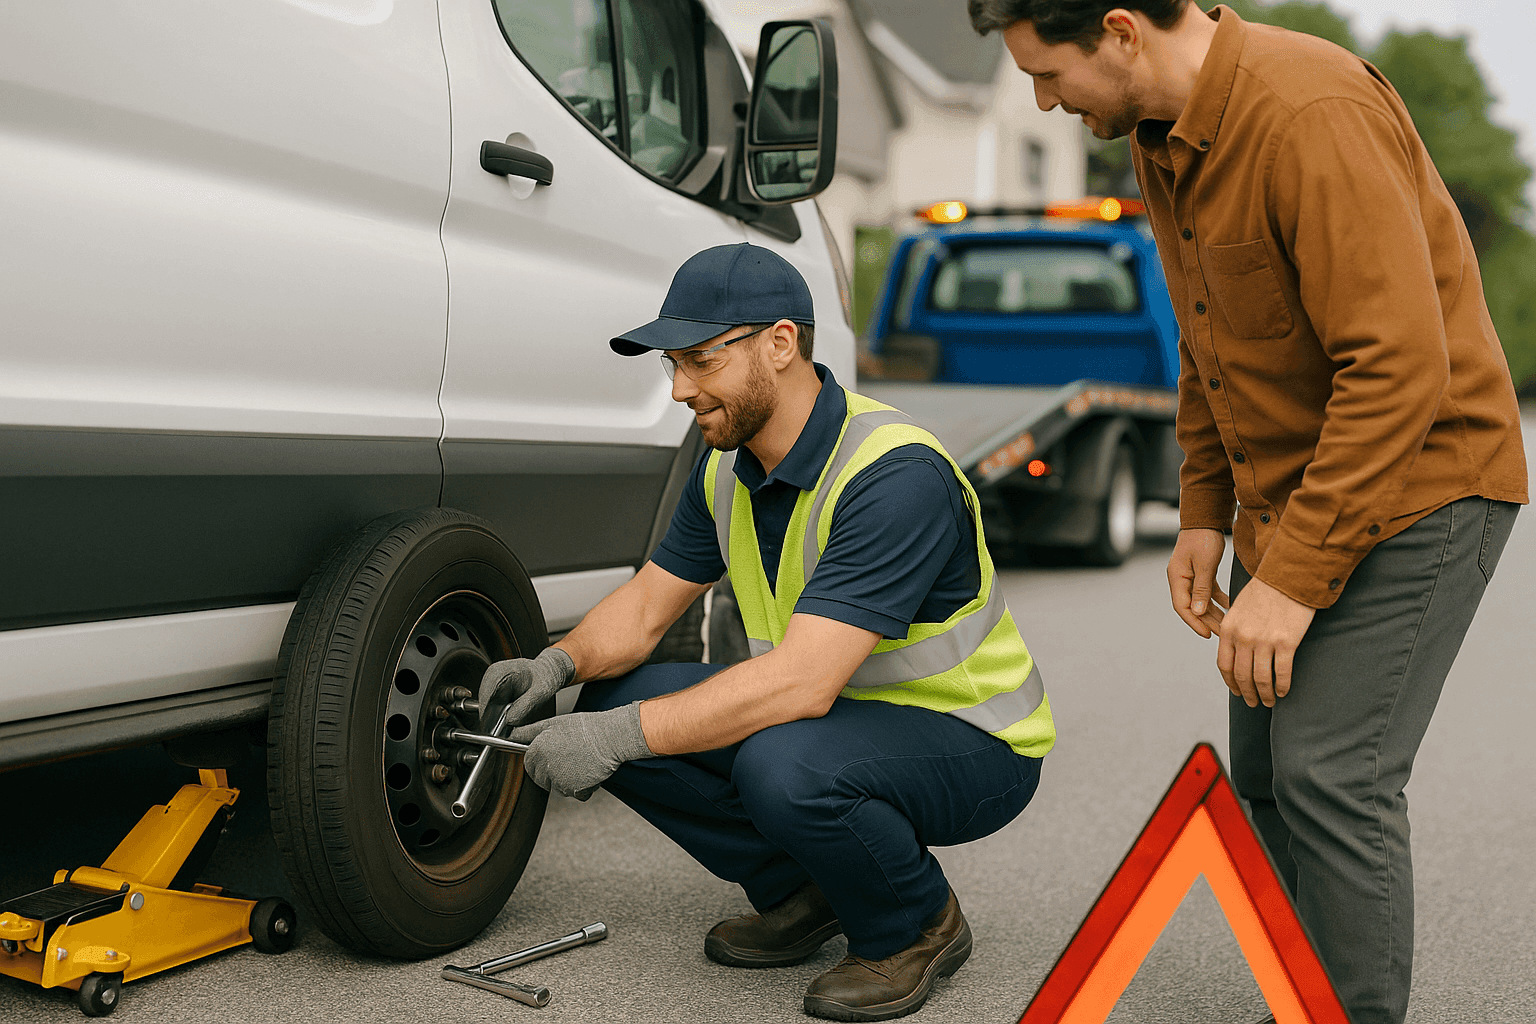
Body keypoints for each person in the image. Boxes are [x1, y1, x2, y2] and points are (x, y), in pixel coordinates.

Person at [966, 2, 1527, 1022]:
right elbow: (1207, 334)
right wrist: (1202, 513)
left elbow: (1400, 368)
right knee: (1265, 774)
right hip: (1296, 490)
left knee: (1332, 774)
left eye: (1049, 74)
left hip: (1422, 483)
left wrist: (1292, 582)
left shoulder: (1309, 110)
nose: (1045, 101)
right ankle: (1306, 990)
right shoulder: (1159, 140)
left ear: (1122, 30)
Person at [476, 242, 1056, 1021]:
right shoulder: (729, 466)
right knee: (616, 692)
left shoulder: (894, 476)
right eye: (670, 365)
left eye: (699, 362)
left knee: (776, 763)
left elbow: (802, 682)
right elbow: (648, 607)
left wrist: (620, 737)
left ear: (780, 345)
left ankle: (915, 923)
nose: (680, 389)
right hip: (840, 717)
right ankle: (808, 889)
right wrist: (556, 664)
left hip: (974, 739)